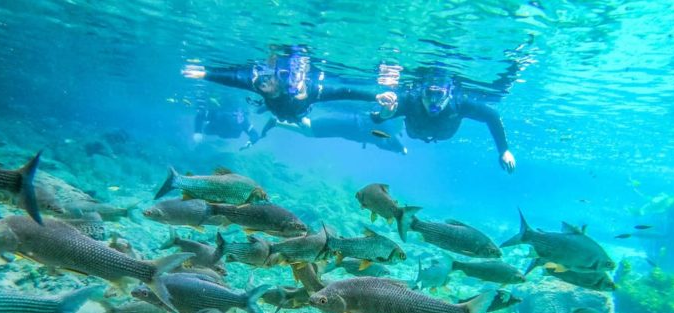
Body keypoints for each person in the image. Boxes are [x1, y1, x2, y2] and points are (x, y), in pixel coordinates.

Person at [183, 53, 381, 129]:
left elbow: (344, 92)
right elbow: (233, 79)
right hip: (275, 110)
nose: (263, 82)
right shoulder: (260, 84)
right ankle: (265, 112)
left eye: (268, 79)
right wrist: (205, 73)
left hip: (297, 114)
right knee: (268, 110)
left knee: (299, 122)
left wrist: (374, 95)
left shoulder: (314, 90)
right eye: (262, 80)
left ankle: (279, 118)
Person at [373, 74, 517, 173]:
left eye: (439, 94)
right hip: (418, 132)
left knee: (500, 91)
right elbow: (376, 119)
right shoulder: (411, 101)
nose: (433, 101)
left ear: (449, 94)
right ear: (422, 93)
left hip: (435, 133)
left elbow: (491, 116)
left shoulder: (460, 103)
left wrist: (504, 150)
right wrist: (383, 114)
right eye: (429, 93)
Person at [275, 110, 407, 155]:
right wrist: (401, 148)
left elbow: (388, 143)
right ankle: (288, 109)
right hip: (349, 123)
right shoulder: (390, 127)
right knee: (308, 125)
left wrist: (400, 149)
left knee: (309, 132)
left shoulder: (383, 139)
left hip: (348, 131)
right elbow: (393, 139)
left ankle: (275, 122)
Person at [192, 104, 260, 149]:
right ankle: (208, 123)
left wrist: (249, 143)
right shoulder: (219, 115)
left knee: (207, 130)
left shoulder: (244, 121)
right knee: (206, 130)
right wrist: (198, 132)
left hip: (221, 131)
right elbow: (199, 115)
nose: (239, 117)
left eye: (241, 114)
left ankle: (208, 124)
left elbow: (255, 134)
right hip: (215, 128)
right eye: (236, 114)